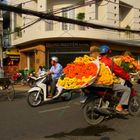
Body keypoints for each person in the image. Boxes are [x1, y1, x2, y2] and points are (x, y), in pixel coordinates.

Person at [99, 45, 132, 114]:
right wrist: (127, 76)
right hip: (106, 83)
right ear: (108, 52)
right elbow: (119, 71)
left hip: (97, 83)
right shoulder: (109, 62)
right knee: (127, 89)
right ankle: (119, 107)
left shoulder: (97, 60)